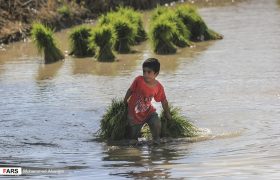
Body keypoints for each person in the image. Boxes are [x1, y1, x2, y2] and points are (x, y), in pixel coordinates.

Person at [124, 58, 172, 144]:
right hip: (134, 115)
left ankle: (156, 141)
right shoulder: (139, 80)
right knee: (133, 139)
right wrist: (124, 101)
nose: (146, 74)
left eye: (149, 72)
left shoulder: (158, 87)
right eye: (144, 71)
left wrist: (167, 113)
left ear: (156, 74)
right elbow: (130, 90)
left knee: (156, 123)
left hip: (148, 112)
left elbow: (163, 100)